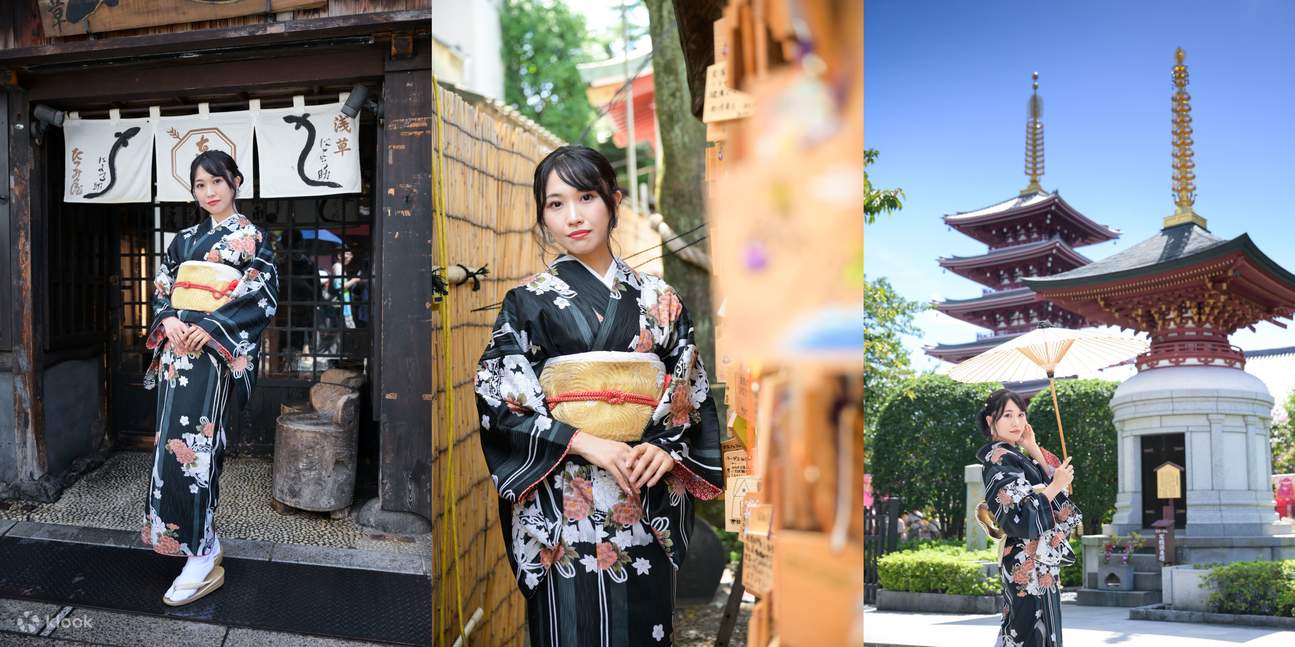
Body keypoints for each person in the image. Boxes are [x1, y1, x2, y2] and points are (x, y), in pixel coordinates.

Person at [474, 145, 724, 645]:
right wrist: (585, 442)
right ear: (543, 216)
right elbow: (499, 400)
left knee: (644, 628)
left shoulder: (661, 300)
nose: (573, 216)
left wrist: (666, 448)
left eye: (586, 197)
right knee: (570, 625)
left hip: (643, 493)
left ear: (614, 201)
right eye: (555, 203)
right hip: (565, 500)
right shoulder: (527, 302)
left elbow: (688, 391)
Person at [140, 149, 279, 606]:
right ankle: (202, 543)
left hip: (213, 355)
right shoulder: (182, 240)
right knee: (168, 447)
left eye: (217, 181)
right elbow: (163, 289)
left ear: (235, 181)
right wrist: (168, 319)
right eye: (200, 185)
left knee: (197, 451)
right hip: (176, 354)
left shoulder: (252, 238)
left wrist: (213, 327)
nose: (209, 192)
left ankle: (200, 555)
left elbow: (262, 296)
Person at [976, 389, 1082, 647]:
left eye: (1021, 414)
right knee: (1026, 632)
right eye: (1007, 415)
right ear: (991, 421)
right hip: (1024, 561)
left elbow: (1055, 495)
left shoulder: (1016, 456)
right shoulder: (998, 461)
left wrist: (1032, 447)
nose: (1016, 422)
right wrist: (1054, 486)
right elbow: (1019, 518)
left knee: (1040, 630)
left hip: (1040, 560)